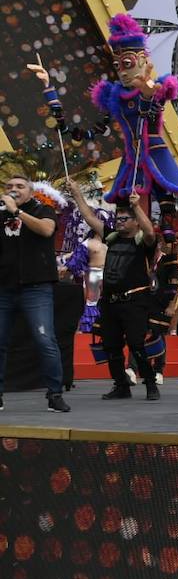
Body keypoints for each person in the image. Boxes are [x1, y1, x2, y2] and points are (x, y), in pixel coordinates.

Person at [31, 16, 178, 204]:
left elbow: (150, 115)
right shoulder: (116, 96)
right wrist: (48, 88)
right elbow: (80, 132)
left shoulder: (156, 89)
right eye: (117, 66)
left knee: (165, 207)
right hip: (132, 162)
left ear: (142, 61)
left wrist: (147, 95)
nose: (122, 71)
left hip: (154, 156)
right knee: (130, 207)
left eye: (127, 64)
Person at [71, 186, 161, 401]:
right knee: (111, 346)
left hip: (135, 302)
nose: (119, 222)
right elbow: (89, 217)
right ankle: (121, 385)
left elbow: (149, 231)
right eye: (118, 218)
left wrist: (136, 206)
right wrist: (76, 195)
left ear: (135, 222)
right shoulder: (111, 237)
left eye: (124, 219)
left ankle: (150, 383)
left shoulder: (142, 243)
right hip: (110, 303)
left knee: (137, 344)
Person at [0, 173, 70, 413]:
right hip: (4, 288)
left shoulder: (42, 209)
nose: (13, 189)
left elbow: (46, 230)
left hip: (36, 287)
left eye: (20, 186)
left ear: (30, 192)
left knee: (44, 340)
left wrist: (17, 212)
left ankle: (55, 394)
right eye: (9, 186)